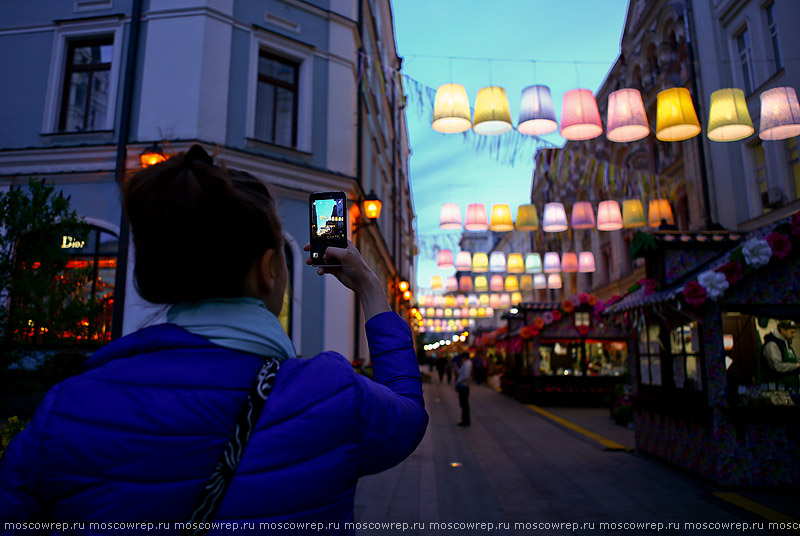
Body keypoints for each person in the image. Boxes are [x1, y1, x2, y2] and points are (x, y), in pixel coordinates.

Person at [0, 146, 428, 529]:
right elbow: (408, 416)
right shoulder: (331, 396)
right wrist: (372, 290)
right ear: (267, 270)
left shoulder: (66, 407)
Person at [761, 319, 800, 387]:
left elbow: (795, 360)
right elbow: (777, 366)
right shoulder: (772, 345)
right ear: (783, 330)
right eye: (792, 332)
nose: (794, 335)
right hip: (779, 387)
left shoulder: (786, 344)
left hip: (792, 386)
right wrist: (797, 366)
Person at [453, 352, 472, 427]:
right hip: (464, 385)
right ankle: (465, 420)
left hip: (464, 385)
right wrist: (456, 367)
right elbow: (460, 373)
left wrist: (459, 381)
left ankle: (466, 421)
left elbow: (465, 375)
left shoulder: (467, 364)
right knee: (463, 404)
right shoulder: (466, 364)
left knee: (464, 403)